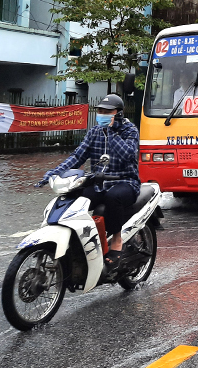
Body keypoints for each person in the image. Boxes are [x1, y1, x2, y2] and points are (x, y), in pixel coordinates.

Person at [40, 94, 140, 269]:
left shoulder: (129, 130)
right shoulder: (94, 132)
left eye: (107, 112)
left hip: (125, 182)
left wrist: (111, 133)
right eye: (100, 111)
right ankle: (79, 241)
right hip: (99, 183)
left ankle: (117, 239)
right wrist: (53, 173)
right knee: (74, 197)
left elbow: (128, 155)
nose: (102, 114)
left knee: (113, 197)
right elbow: (77, 156)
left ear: (118, 113)